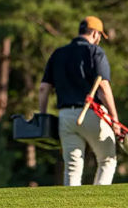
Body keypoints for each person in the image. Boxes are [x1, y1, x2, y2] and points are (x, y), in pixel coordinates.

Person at [37, 16, 121, 186]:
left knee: (72, 166)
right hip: (91, 112)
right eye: (99, 36)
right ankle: (99, 202)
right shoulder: (95, 52)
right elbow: (103, 88)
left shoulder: (58, 53)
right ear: (95, 33)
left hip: (66, 116)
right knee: (107, 159)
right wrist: (115, 120)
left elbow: (43, 89)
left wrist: (43, 118)